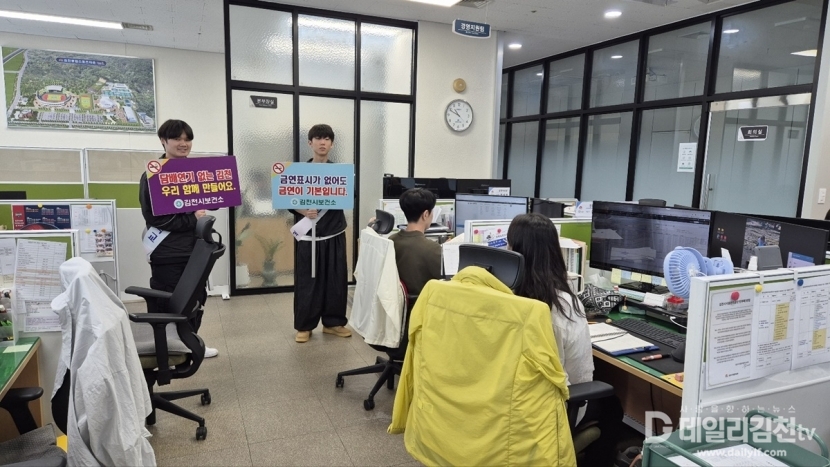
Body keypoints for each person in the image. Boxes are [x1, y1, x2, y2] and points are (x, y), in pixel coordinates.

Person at [507, 213, 623, 467]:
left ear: (513, 251)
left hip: (503, 411)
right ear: (553, 252)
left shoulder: (501, 298)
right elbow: (582, 377)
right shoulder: (565, 305)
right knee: (612, 406)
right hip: (545, 417)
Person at [139, 119, 218, 358]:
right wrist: (192, 219)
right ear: (163, 141)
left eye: (187, 139)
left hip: (195, 251)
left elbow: (207, 202)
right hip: (168, 252)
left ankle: (191, 344)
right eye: (177, 139)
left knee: (196, 299)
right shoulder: (153, 175)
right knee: (171, 301)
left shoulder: (195, 173)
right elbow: (155, 218)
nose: (183, 144)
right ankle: (169, 350)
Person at [289, 124, 351, 343]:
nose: (322, 142)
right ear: (310, 142)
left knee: (336, 280)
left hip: (334, 232)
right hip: (308, 234)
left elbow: (348, 197)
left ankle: (333, 323)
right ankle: (304, 326)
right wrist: (303, 211)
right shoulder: (298, 171)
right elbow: (287, 199)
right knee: (307, 281)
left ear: (332, 144)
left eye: (326, 139)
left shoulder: (341, 172)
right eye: (318, 138)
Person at [388, 188, 442, 296]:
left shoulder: (391, 240)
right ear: (425, 214)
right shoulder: (432, 249)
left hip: (401, 302)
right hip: (423, 303)